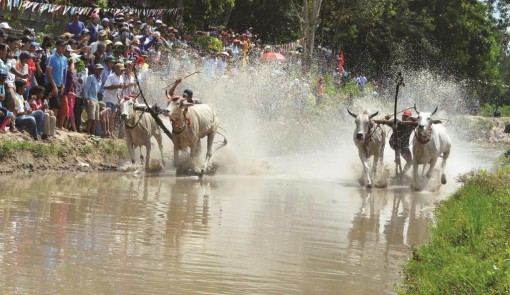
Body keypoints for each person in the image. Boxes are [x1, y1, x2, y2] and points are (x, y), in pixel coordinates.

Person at [373, 109, 415, 175]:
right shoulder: (396, 122)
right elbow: (384, 122)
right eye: (403, 117)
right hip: (394, 143)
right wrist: (386, 119)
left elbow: (420, 122)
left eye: (407, 117)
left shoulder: (412, 125)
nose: (404, 118)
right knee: (397, 143)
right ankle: (397, 158)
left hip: (404, 146)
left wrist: (413, 120)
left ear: (410, 119)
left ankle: (402, 173)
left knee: (410, 162)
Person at [83, 64, 103, 134]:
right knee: (91, 118)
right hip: (90, 98)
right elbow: (86, 89)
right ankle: (88, 132)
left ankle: (93, 133)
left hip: (96, 99)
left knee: (96, 119)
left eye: (101, 69)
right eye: (99, 69)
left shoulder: (100, 80)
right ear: (95, 70)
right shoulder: (90, 77)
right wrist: (86, 99)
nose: (100, 71)